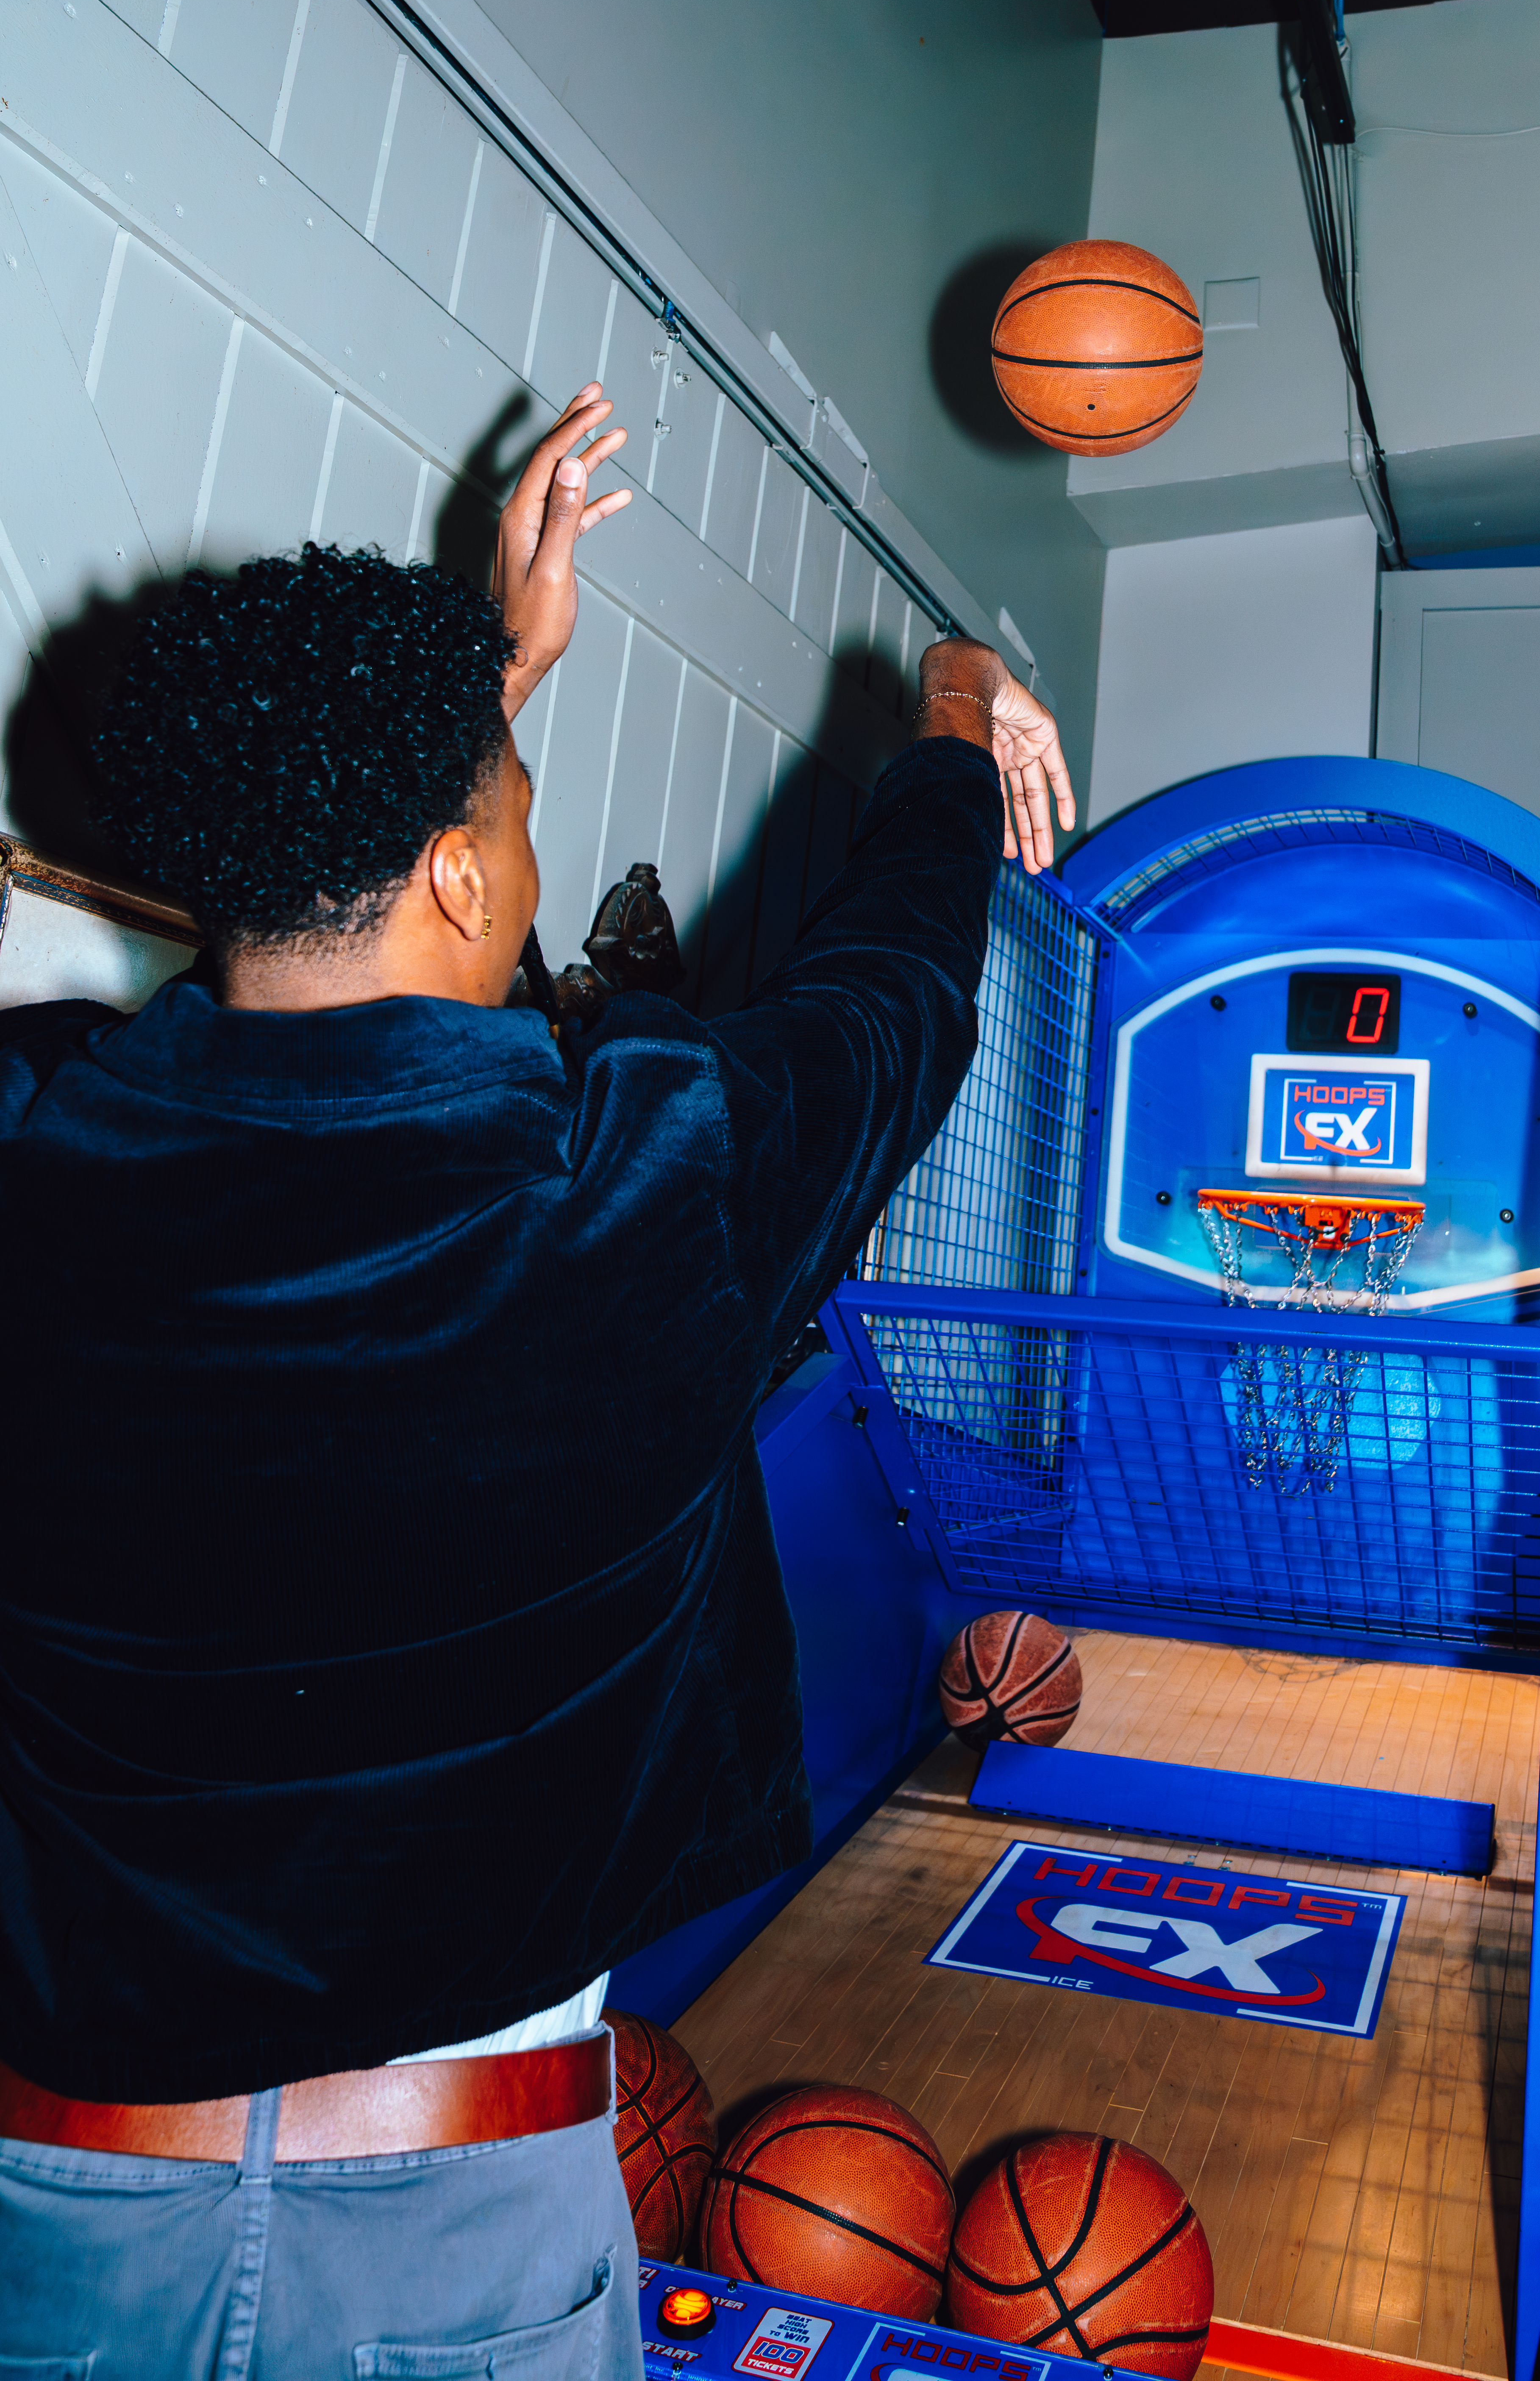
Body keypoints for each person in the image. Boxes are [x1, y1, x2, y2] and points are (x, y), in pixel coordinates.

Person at [0, 386, 1075, 2378]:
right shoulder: (648, 1186)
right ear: (469, 884)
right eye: (506, 807)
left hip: (49, 2221)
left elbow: (317, 920)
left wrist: (474, 695)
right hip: (451, 2240)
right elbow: (900, 992)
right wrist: (948, 707)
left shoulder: (35, 1154)